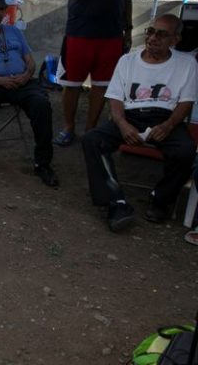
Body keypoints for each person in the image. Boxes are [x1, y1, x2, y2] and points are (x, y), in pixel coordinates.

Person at [81, 15, 197, 233]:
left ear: (176, 39)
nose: (153, 38)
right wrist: (122, 123)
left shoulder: (187, 64)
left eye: (161, 34)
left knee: (185, 150)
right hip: (130, 115)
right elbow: (115, 98)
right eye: (150, 32)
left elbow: (186, 102)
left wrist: (168, 125)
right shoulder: (127, 60)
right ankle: (116, 202)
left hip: (166, 117)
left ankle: (160, 199)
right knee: (92, 140)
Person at [54, 0, 133, 146]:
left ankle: (91, 130)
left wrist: (128, 29)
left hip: (111, 34)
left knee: (102, 85)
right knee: (72, 84)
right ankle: (68, 127)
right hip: (80, 32)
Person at [0, 0, 59, 187]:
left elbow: (30, 61)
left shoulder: (14, 31)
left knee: (42, 104)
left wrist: (26, 76)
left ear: (4, 11)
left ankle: (43, 163)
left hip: (21, 82)